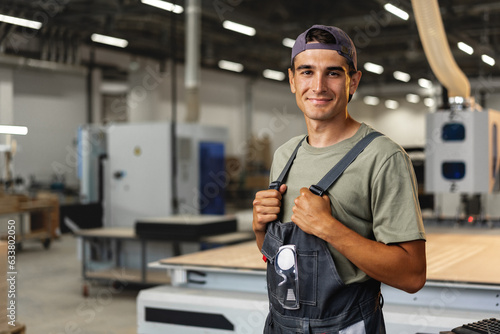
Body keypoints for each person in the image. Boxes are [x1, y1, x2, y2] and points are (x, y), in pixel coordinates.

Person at [252, 24, 426, 333]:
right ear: (292, 80)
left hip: (348, 326)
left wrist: (330, 229)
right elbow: (278, 256)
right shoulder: (284, 156)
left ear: (353, 82)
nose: (318, 86)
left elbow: (412, 275)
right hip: (280, 325)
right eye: (306, 72)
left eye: (332, 73)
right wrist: (259, 229)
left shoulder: (383, 157)